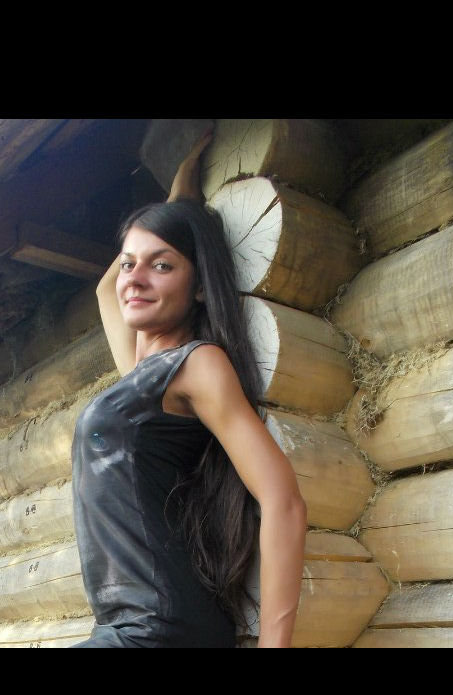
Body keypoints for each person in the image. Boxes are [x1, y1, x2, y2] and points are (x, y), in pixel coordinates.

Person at [69, 126, 307, 648]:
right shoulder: (138, 374)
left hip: (159, 628)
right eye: (130, 263)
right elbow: (109, 289)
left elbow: (283, 501)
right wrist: (174, 204)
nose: (135, 278)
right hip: (125, 629)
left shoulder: (196, 365)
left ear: (199, 286)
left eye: (162, 265)